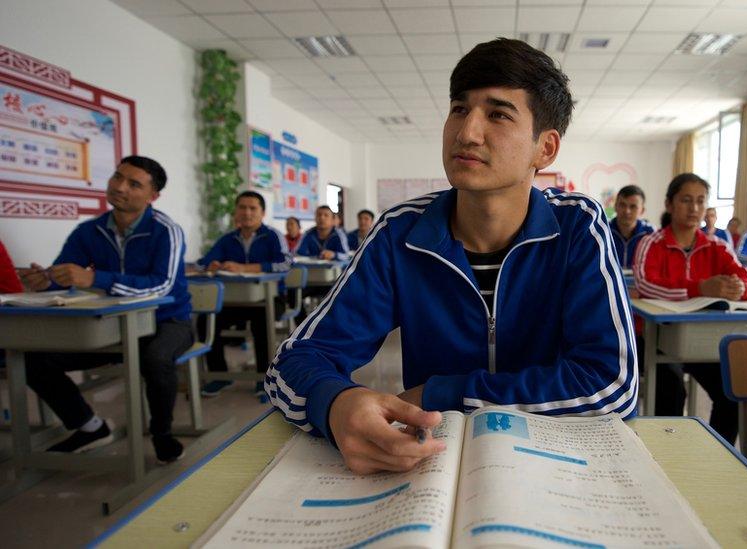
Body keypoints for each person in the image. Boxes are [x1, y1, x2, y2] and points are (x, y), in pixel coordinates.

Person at [266, 38, 637, 475]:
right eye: (459, 109)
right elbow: (294, 362)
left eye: (498, 114)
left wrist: (442, 394)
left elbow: (611, 386)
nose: (466, 132)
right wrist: (337, 403)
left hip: (555, 460)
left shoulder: (577, 226)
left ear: (546, 148)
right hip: (430, 462)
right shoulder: (401, 233)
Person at [18, 156, 192, 463]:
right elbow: (65, 273)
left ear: (153, 196)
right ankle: (89, 426)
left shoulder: (167, 230)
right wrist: (46, 281)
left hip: (167, 320)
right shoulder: (89, 231)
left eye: (133, 183)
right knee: (34, 356)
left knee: (156, 359)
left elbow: (161, 286)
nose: (119, 186)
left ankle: (162, 434)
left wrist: (95, 278)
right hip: (111, 325)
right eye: (117, 177)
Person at [633, 173, 747, 443]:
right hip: (654, 338)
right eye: (686, 200)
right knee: (672, 390)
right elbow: (646, 285)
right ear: (670, 204)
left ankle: (717, 453)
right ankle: (665, 452)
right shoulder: (651, 243)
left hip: (701, 341)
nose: (694, 208)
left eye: (700, 201)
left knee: (731, 392)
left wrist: (741, 289)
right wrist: (699, 288)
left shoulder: (718, 247)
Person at [196, 191, 292, 397]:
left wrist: (246, 268)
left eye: (252, 208)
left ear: (262, 212)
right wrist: (210, 265)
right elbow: (203, 263)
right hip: (235, 301)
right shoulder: (227, 239)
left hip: (272, 298)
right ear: (235, 212)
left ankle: (265, 377)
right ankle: (220, 375)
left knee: (261, 321)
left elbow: (285, 264)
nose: (246, 212)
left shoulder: (273, 236)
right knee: (206, 321)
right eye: (242, 207)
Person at [609, 185, 654, 269]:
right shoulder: (603, 231)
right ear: (615, 206)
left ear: (642, 210)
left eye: (633, 206)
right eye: (622, 205)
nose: (627, 211)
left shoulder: (651, 234)